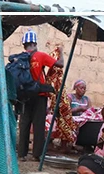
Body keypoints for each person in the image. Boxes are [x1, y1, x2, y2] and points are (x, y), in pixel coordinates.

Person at [17, 31, 61, 161]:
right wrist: (61, 53)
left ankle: (22, 154)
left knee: (24, 124)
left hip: (24, 95)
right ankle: (37, 154)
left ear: (24, 45)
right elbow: (60, 64)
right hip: (39, 94)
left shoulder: (20, 58)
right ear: (35, 43)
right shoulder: (40, 55)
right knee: (38, 125)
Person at [44, 48, 77, 150]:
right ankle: (51, 146)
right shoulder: (52, 78)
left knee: (65, 120)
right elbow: (52, 96)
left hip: (59, 108)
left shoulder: (56, 77)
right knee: (58, 120)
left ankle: (64, 146)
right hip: (54, 109)